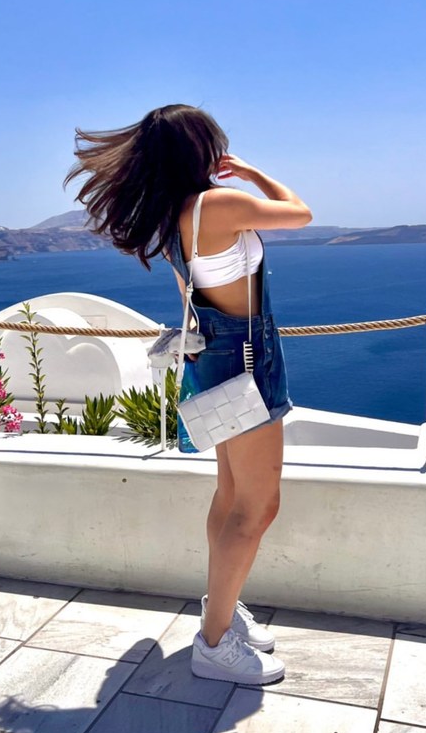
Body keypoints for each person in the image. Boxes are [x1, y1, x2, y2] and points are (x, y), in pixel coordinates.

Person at [65, 104, 312, 685]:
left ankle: (221, 608)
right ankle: (215, 643)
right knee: (257, 506)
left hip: (216, 354)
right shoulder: (218, 204)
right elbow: (301, 213)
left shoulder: (175, 215)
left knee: (231, 495)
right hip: (248, 356)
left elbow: (192, 294)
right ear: (199, 149)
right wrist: (250, 172)